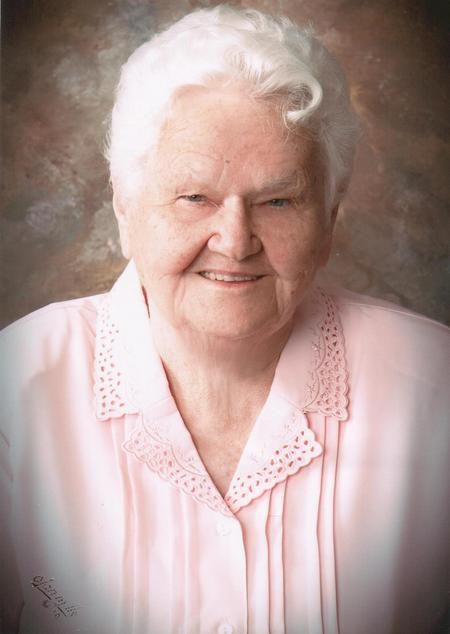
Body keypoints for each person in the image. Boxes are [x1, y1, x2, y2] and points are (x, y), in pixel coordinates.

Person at [0, 5, 448, 634]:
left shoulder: (437, 388)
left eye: (278, 201)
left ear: (328, 221)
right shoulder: (13, 391)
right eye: (195, 197)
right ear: (125, 209)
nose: (235, 242)